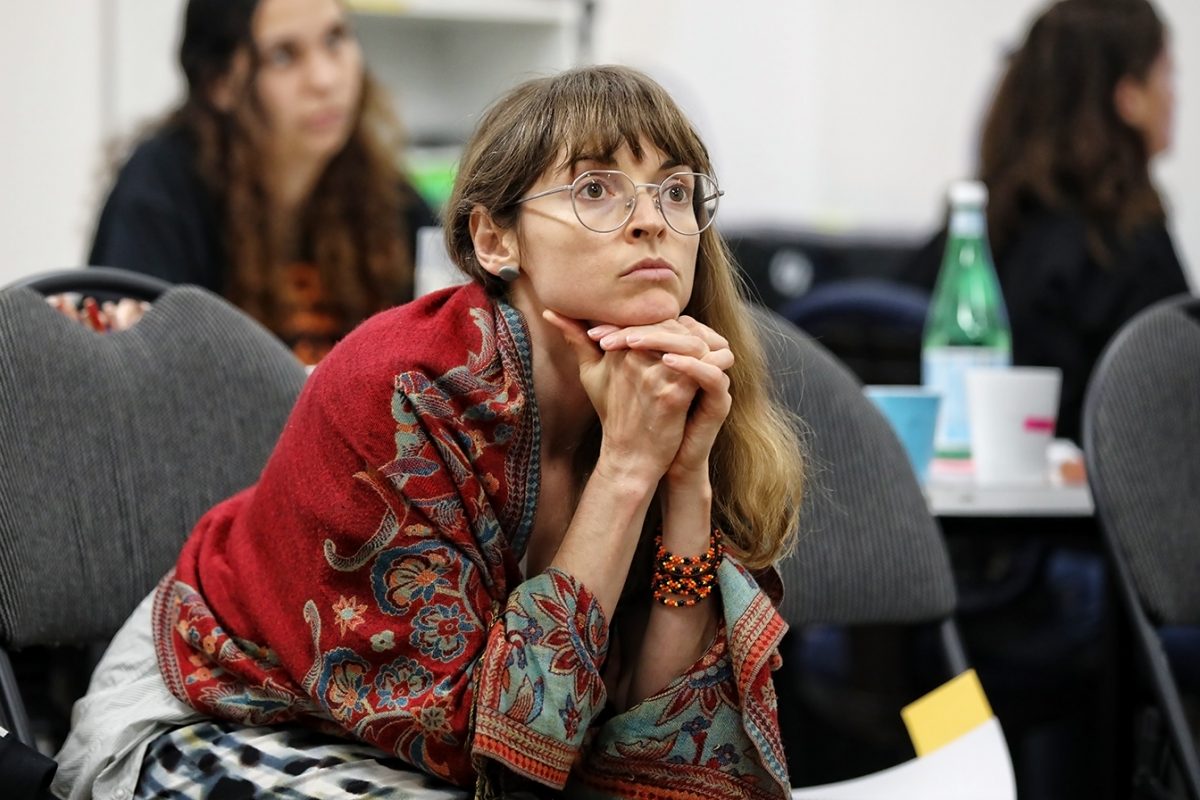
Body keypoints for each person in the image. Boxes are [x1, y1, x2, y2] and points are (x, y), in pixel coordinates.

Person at [54, 65, 805, 799]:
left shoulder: (673, 388)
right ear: (495, 240)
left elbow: (661, 743)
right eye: (595, 189)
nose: (652, 220)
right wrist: (628, 470)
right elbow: (500, 759)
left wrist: (684, 479)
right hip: (226, 714)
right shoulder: (401, 389)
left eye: (675, 191)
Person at [84, 0, 434, 363]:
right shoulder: (161, 189)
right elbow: (128, 377)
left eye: (335, 38)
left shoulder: (385, 194)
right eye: (283, 56)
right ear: (219, 83)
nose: (325, 79)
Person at [906, 0, 1191, 443]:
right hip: (1080, 507)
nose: (1174, 95)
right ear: (1128, 98)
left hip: (937, 505)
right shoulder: (1129, 248)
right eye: (1166, 75)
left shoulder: (967, 237)